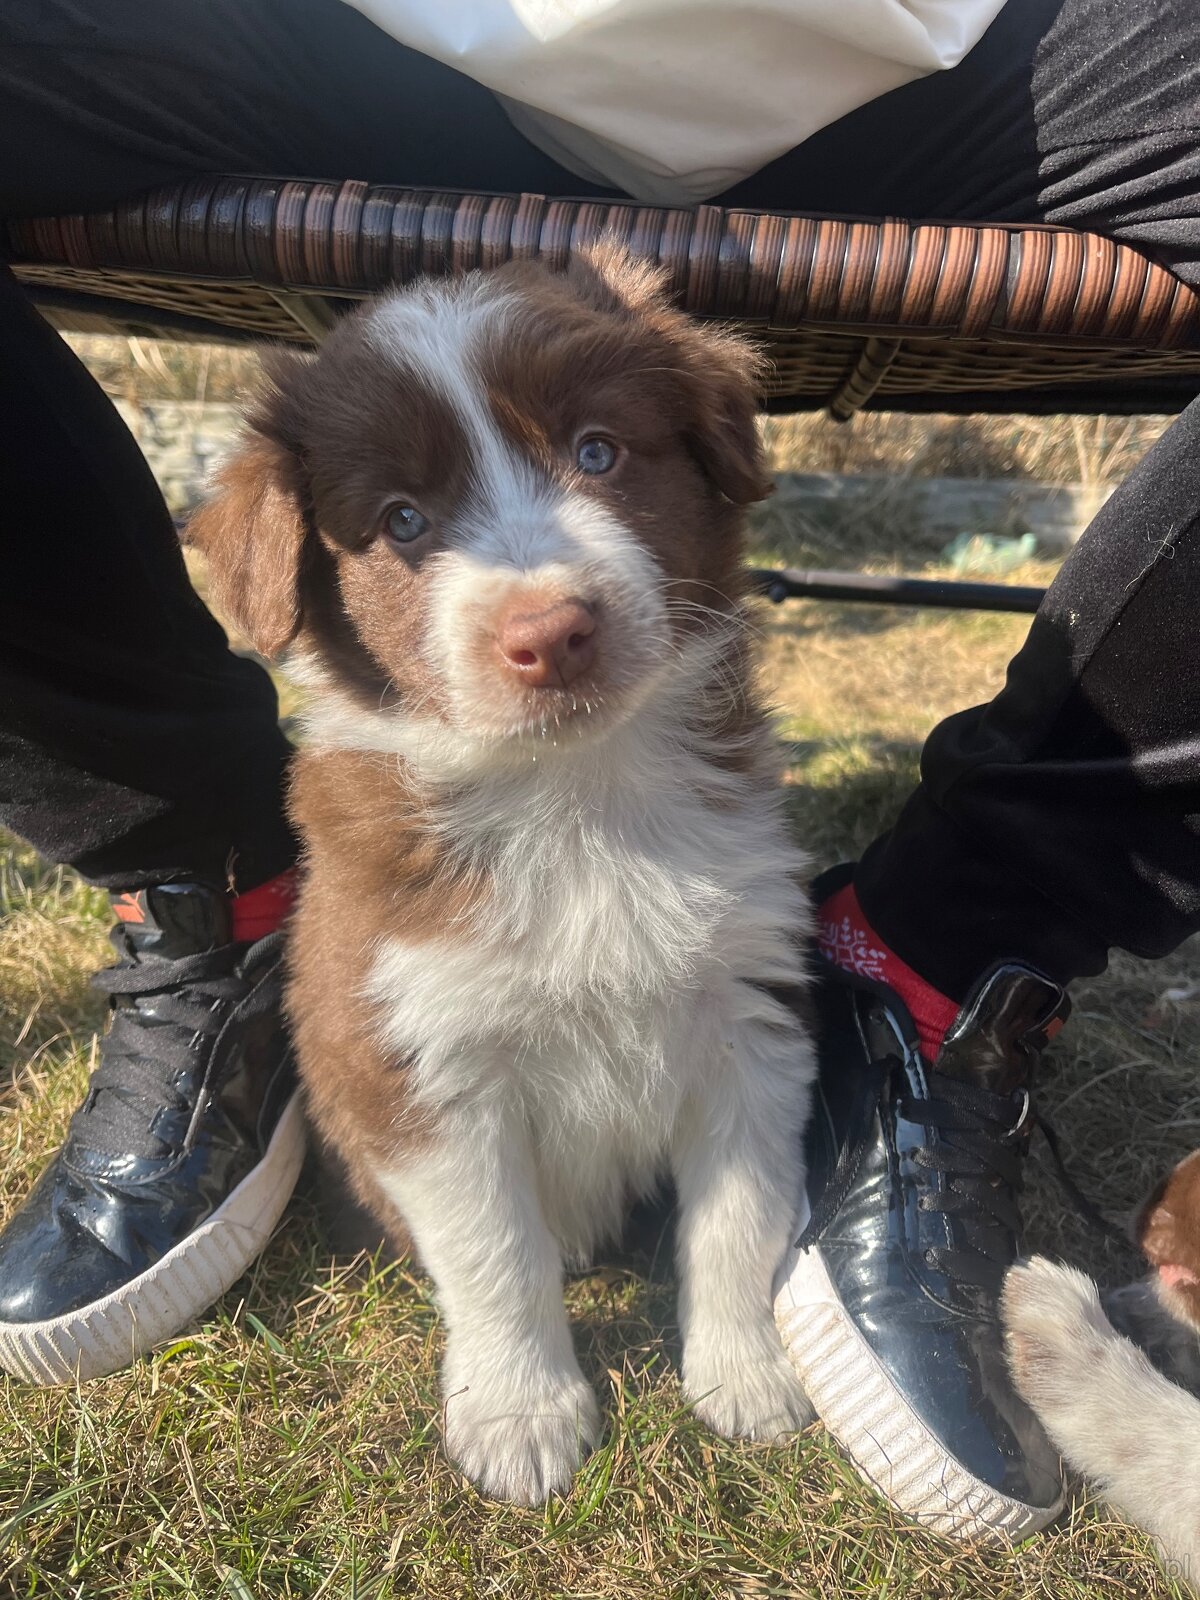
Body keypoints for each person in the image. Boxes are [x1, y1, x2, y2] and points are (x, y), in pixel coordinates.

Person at [1, 0, 1198, 1539]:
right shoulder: (385, 846)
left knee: (745, 1036)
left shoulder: (715, 769)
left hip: (905, 55)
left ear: (705, 450)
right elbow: (433, 1115)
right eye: (406, 522)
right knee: (439, 1087)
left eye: (595, 453)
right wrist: (504, 1344)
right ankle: (208, 907)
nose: (543, 599)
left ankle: (933, 965)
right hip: (346, 40)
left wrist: (729, 1316)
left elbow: (741, 1053)